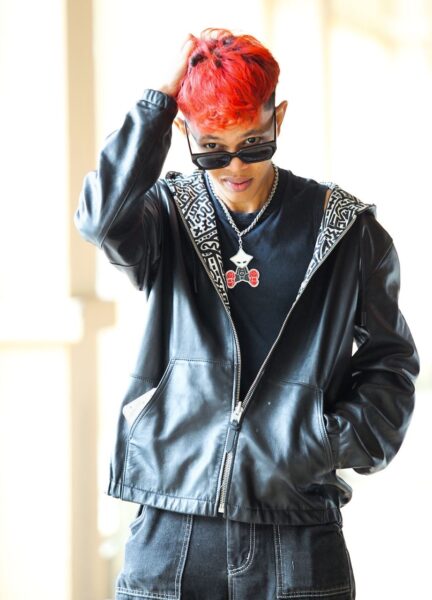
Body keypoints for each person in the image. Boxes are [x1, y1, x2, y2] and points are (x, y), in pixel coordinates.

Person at [75, 28, 420, 600]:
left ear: (278, 119)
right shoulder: (166, 216)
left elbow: (391, 365)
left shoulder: (346, 230)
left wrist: (322, 443)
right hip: (170, 526)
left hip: (297, 529)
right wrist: (159, 102)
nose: (235, 166)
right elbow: (99, 218)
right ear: (184, 134)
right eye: (212, 148)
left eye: (253, 143)